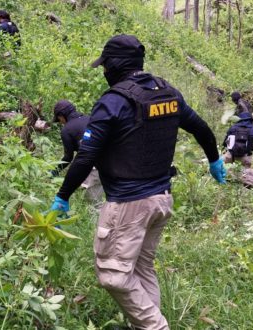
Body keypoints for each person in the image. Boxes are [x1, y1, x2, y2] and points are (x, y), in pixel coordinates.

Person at [50, 34, 226, 329]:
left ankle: (156, 326)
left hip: (130, 205)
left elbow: (86, 156)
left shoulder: (114, 102)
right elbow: (202, 128)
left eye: (105, 65)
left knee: (113, 276)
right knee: (141, 267)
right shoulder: (167, 93)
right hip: (161, 201)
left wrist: (63, 195)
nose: (104, 71)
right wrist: (213, 159)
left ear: (115, 66)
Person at [51, 100, 102, 203]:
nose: (60, 122)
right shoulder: (90, 119)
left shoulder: (67, 130)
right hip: (110, 162)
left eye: (59, 119)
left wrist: (54, 172)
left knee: (93, 204)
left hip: (92, 166)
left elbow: (68, 157)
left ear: (61, 115)